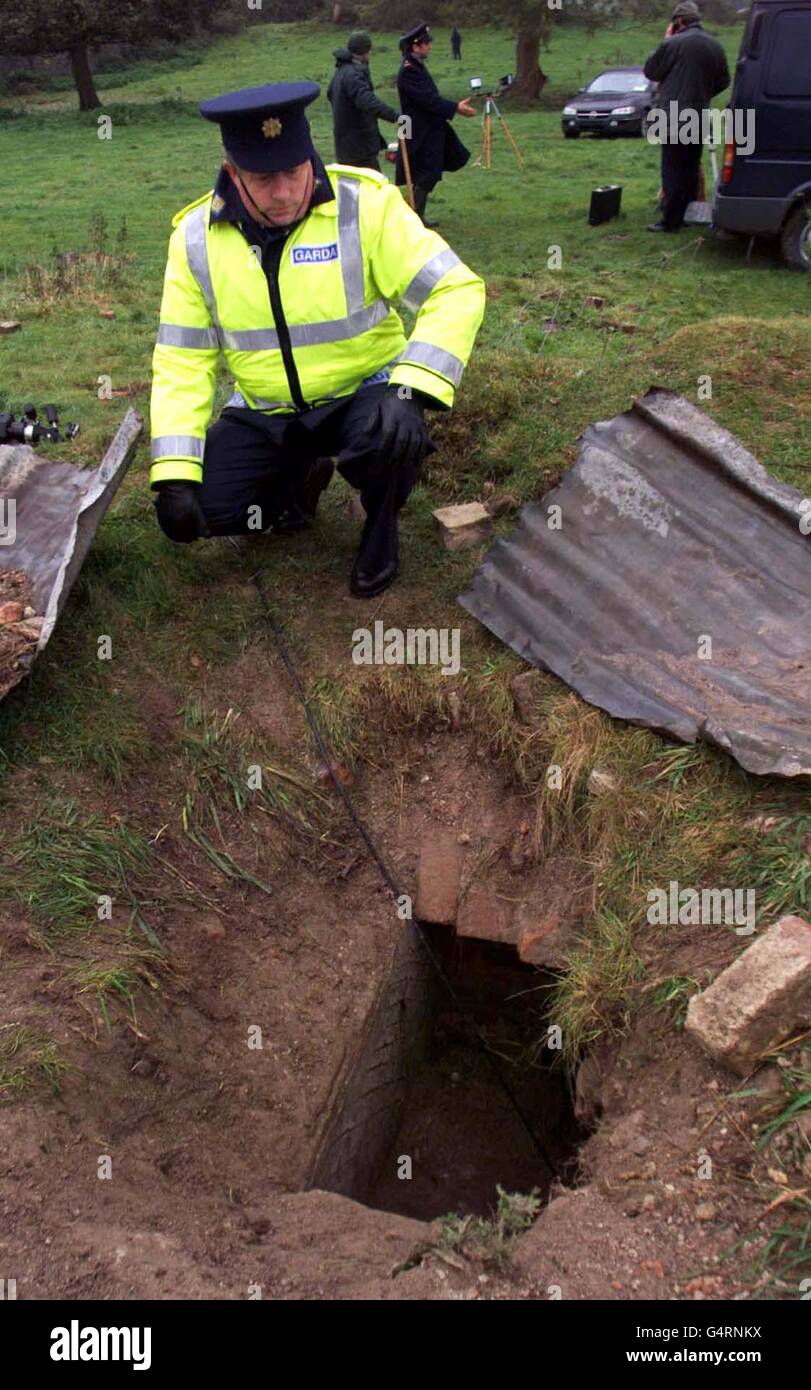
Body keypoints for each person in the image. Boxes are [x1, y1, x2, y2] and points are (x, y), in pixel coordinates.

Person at [149, 83, 485, 599]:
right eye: (263, 179)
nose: (283, 192)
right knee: (205, 510)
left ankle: (380, 528)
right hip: (268, 410)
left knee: (390, 440)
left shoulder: (365, 205)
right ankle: (299, 484)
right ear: (233, 172)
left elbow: (454, 287)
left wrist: (414, 388)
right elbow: (182, 360)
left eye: (294, 171)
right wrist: (173, 472)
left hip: (365, 391)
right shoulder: (194, 239)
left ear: (311, 155)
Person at [643, 1, 730, 232]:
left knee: (672, 168)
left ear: (678, 22)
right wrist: (702, 94)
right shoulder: (715, 45)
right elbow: (724, 81)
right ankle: (690, 214)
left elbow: (650, 71)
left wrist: (665, 40)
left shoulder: (673, 43)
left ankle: (670, 221)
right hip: (699, 115)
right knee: (690, 167)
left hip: (672, 116)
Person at [395, 21, 476, 226]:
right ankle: (414, 219)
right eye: (426, 43)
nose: (430, 46)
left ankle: (416, 216)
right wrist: (456, 107)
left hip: (429, 127)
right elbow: (427, 100)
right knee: (427, 172)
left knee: (429, 171)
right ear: (415, 46)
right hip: (419, 130)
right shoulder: (409, 71)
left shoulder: (416, 66)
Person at [327, 30, 398, 172]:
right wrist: (396, 116)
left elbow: (330, 94)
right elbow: (367, 101)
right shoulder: (354, 74)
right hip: (359, 147)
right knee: (373, 187)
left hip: (345, 145)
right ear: (366, 51)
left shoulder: (341, 71)